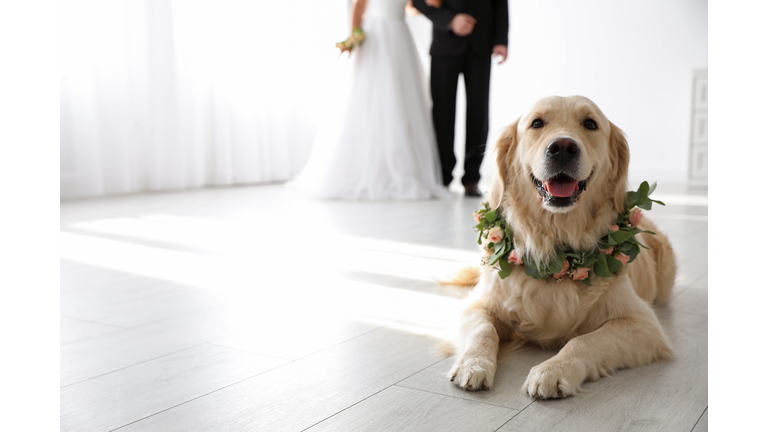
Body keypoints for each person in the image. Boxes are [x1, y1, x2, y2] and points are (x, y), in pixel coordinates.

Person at [288, 0, 450, 201]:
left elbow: (415, 6)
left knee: (401, 103)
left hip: (400, 37)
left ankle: (401, 167)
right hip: (376, 35)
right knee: (372, 99)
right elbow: (359, 5)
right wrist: (353, 37)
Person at [412, 0, 509, 197]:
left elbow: (500, 3)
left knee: (478, 113)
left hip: (481, 44)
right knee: (442, 113)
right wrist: (450, 20)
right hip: (445, 43)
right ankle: (443, 177)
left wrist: (501, 39)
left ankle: (472, 178)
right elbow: (418, 1)